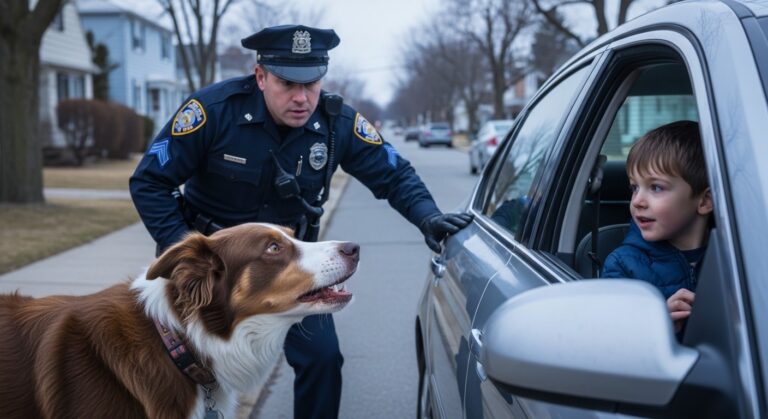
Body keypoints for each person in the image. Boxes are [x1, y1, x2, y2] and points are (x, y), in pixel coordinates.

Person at [129, 24, 472, 419]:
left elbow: (392, 173)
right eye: (287, 83)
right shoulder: (213, 111)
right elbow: (150, 180)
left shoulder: (335, 122)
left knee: (323, 360)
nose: (301, 97)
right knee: (193, 372)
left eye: (311, 84)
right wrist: (188, 252)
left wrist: (427, 216)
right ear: (260, 76)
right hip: (218, 276)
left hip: (292, 271)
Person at [601, 120, 713, 334]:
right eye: (634, 187)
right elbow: (612, 340)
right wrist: (659, 325)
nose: (637, 201)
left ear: (705, 201)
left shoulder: (738, 260)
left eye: (656, 187)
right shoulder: (623, 265)